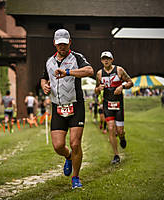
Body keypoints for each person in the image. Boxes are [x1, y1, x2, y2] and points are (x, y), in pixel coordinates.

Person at [41, 29, 94, 189]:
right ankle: (69, 157)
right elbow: (44, 77)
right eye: (59, 44)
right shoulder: (49, 61)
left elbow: (89, 71)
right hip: (57, 107)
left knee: (75, 143)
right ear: (54, 44)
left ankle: (75, 178)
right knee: (58, 146)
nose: (62, 47)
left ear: (70, 42)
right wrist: (44, 85)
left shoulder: (77, 57)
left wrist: (68, 72)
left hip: (75, 105)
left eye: (65, 43)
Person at [95, 51, 133, 164]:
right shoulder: (99, 74)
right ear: (101, 60)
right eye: (103, 59)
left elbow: (131, 82)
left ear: (112, 60)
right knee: (111, 128)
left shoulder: (119, 70)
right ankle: (116, 155)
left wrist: (122, 86)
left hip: (118, 104)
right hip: (107, 104)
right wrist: (98, 89)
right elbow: (96, 90)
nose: (106, 60)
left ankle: (122, 137)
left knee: (120, 130)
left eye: (108, 58)